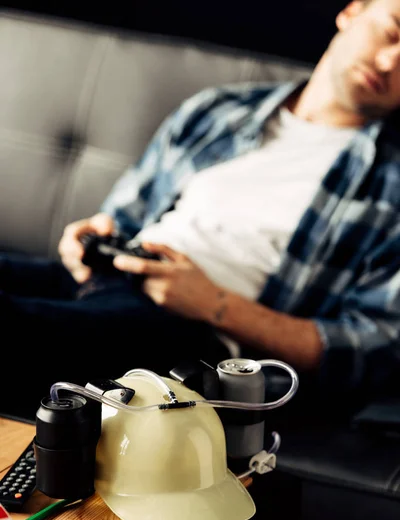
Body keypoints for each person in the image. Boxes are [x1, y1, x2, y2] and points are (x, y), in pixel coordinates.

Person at [2, 0, 400, 421]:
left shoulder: (391, 186)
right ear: (353, 12)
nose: (390, 61)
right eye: (392, 31)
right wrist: (89, 238)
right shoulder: (221, 109)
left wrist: (215, 304)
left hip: (195, 338)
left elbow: (371, 348)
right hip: (105, 279)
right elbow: (122, 219)